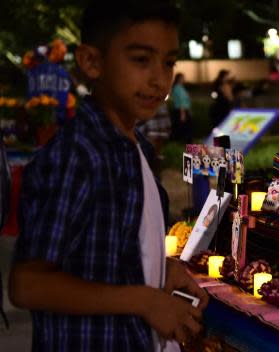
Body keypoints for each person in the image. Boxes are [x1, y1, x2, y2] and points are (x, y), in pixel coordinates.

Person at [9, 2, 208, 351]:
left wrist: (164, 270)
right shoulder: (78, 155)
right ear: (92, 62)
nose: (159, 78)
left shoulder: (137, 149)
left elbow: (116, 254)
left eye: (168, 62)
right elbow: (28, 284)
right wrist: (145, 300)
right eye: (141, 60)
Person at [170, 73, 192, 143]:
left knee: (186, 128)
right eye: (182, 78)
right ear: (179, 79)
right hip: (180, 111)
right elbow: (180, 101)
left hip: (184, 110)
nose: (184, 79)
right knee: (184, 128)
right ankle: (184, 144)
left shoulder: (181, 87)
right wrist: (182, 114)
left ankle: (184, 144)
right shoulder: (177, 88)